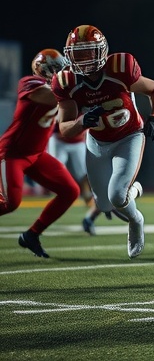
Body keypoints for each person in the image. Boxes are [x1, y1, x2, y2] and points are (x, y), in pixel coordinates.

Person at [53, 25, 154, 259]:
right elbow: (64, 128)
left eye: (88, 52)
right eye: (78, 54)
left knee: (117, 196)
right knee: (104, 205)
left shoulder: (120, 69)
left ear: (101, 51)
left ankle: (136, 220)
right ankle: (133, 192)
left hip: (129, 136)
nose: (83, 60)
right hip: (96, 141)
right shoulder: (67, 81)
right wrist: (81, 122)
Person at [0, 49, 80, 258]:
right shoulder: (30, 83)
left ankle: (32, 235)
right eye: (57, 69)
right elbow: (52, 97)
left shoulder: (61, 91)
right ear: (43, 70)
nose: (61, 73)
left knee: (70, 191)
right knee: (10, 203)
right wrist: (79, 89)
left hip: (36, 155)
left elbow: (69, 111)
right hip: (13, 153)